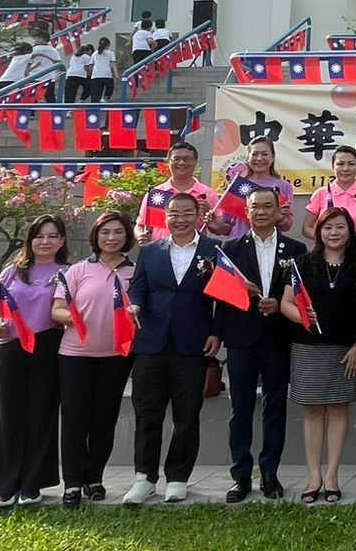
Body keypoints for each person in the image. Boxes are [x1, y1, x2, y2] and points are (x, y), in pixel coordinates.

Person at [121, 192, 222, 505]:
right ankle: (144, 477)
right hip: (151, 342)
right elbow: (138, 287)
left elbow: (225, 296)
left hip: (193, 343)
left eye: (187, 213)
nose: (180, 219)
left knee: (187, 414)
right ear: (164, 218)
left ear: (198, 216)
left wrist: (216, 333)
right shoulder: (150, 251)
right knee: (147, 413)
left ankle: (178, 477)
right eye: (174, 214)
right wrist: (135, 305)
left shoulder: (213, 250)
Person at [215, 187, 307, 502]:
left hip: (278, 337)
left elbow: (300, 293)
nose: (262, 212)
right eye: (256, 207)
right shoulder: (230, 249)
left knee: (275, 407)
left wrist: (278, 304)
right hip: (240, 338)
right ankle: (241, 476)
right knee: (239, 409)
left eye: (269, 206)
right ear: (247, 211)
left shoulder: (295, 249)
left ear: (280, 211)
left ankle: (270, 473)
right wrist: (218, 332)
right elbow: (221, 297)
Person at [0, 215, 69, 509]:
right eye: (39, 236)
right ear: (30, 240)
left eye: (52, 236)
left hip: (49, 347)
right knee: (9, 415)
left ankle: (32, 484)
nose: (45, 241)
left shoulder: (68, 273)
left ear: (62, 240)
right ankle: (4, 486)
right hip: (12, 348)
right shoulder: (12, 272)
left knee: (41, 414)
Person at [280, 207, 356, 505]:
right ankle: (314, 477)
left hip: (345, 350)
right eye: (327, 227)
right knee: (313, 410)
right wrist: (301, 316)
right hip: (308, 347)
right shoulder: (303, 263)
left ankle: (332, 477)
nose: (334, 233)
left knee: (339, 410)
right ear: (318, 232)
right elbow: (285, 303)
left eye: (340, 227)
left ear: (350, 232)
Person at [52, 211, 136, 509]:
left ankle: (95, 478)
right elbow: (57, 310)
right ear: (95, 237)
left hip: (116, 356)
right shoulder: (77, 271)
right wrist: (74, 318)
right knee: (74, 420)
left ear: (127, 237)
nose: (111, 238)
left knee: (104, 419)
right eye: (105, 232)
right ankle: (73, 482)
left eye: (118, 232)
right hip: (75, 355)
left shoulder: (135, 272)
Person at [135, 141, 222, 244]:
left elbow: (221, 229)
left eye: (187, 159)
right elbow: (140, 225)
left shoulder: (208, 194)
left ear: (195, 162)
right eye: (176, 159)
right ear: (168, 162)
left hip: (195, 250)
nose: (181, 163)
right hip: (160, 250)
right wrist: (140, 235)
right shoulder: (156, 194)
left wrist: (210, 217)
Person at [214, 136, 295, 239]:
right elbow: (224, 224)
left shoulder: (284, 186)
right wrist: (212, 220)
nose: (259, 158)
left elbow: (286, 226)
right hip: (239, 242)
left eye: (264, 154)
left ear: (273, 157)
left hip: (269, 242)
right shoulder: (237, 183)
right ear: (248, 157)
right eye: (254, 154)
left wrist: (280, 218)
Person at [304, 145, 356, 242]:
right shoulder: (321, 193)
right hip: (326, 250)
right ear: (333, 167)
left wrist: (352, 240)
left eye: (351, 164)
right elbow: (306, 228)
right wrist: (327, 240)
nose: (345, 168)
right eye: (340, 164)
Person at [27, 29, 64, 102]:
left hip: (34, 77)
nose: (34, 40)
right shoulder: (53, 50)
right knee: (50, 98)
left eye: (36, 38)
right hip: (49, 78)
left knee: (32, 99)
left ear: (41, 39)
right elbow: (58, 63)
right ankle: (54, 109)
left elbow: (27, 63)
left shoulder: (33, 49)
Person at [89, 36, 118, 102]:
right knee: (110, 89)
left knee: (95, 95)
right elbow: (114, 64)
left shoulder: (94, 53)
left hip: (96, 76)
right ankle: (105, 98)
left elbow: (91, 65)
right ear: (108, 45)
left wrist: (91, 75)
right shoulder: (111, 53)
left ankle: (95, 106)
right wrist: (116, 75)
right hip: (107, 75)